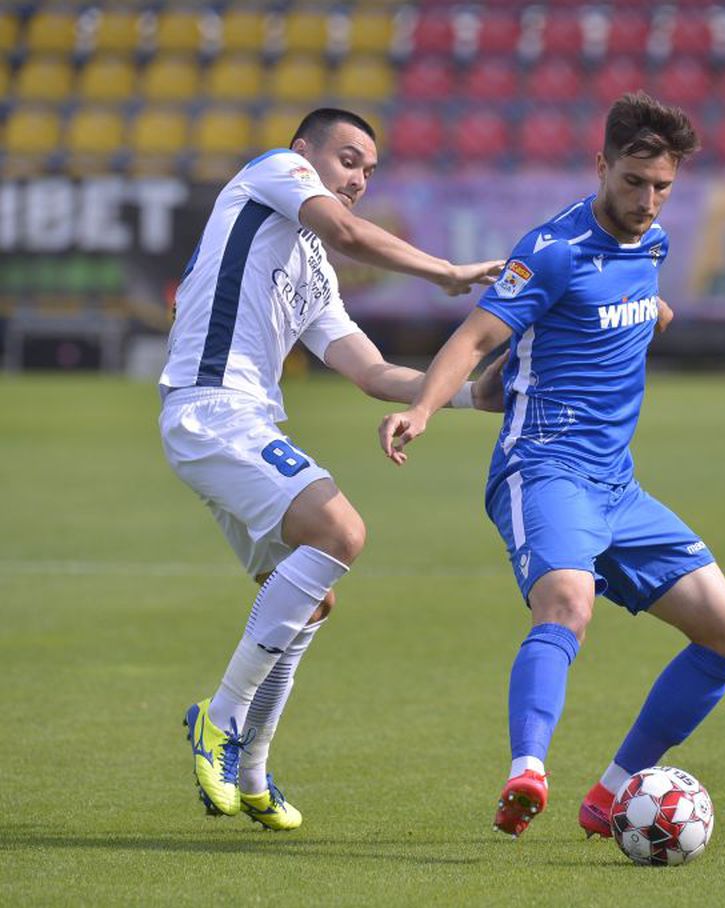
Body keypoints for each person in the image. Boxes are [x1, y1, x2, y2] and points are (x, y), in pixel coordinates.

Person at [377, 92, 725, 839]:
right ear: (602, 167)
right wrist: (422, 409)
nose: (647, 201)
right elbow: (473, 338)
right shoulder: (551, 250)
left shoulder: (652, 245)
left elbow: (630, 306)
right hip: (543, 470)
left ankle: (612, 793)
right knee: (567, 606)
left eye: (662, 187)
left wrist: (652, 314)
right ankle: (528, 771)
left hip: (619, 485)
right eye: (633, 182)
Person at [159, 108, 505, 830]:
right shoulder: (269, 174)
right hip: (211, 410)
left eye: (369, 171)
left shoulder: (315, 267)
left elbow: (372, 371)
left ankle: (251, 772)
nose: (357, 180)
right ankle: (218, 720)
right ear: (303, 153)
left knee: (309, 601)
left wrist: (470, 396)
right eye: (348, 160)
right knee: (340, 531)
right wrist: (447, 271)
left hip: (242, 421)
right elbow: (347, 230)